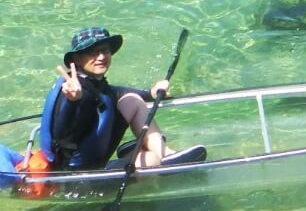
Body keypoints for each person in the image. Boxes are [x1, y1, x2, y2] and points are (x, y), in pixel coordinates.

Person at [38, 27, 204, 170]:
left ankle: (166, 155)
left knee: (131, 100)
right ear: (77, 60)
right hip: (78, 174)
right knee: (151, 160)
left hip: (95, 152)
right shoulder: (75, 89)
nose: (101, 56)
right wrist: (73, 101)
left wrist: (150, 93)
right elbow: (62, 134)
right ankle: (148, 152)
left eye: (105, 50)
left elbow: (115, 92)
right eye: (92, 52)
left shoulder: (92, 81)